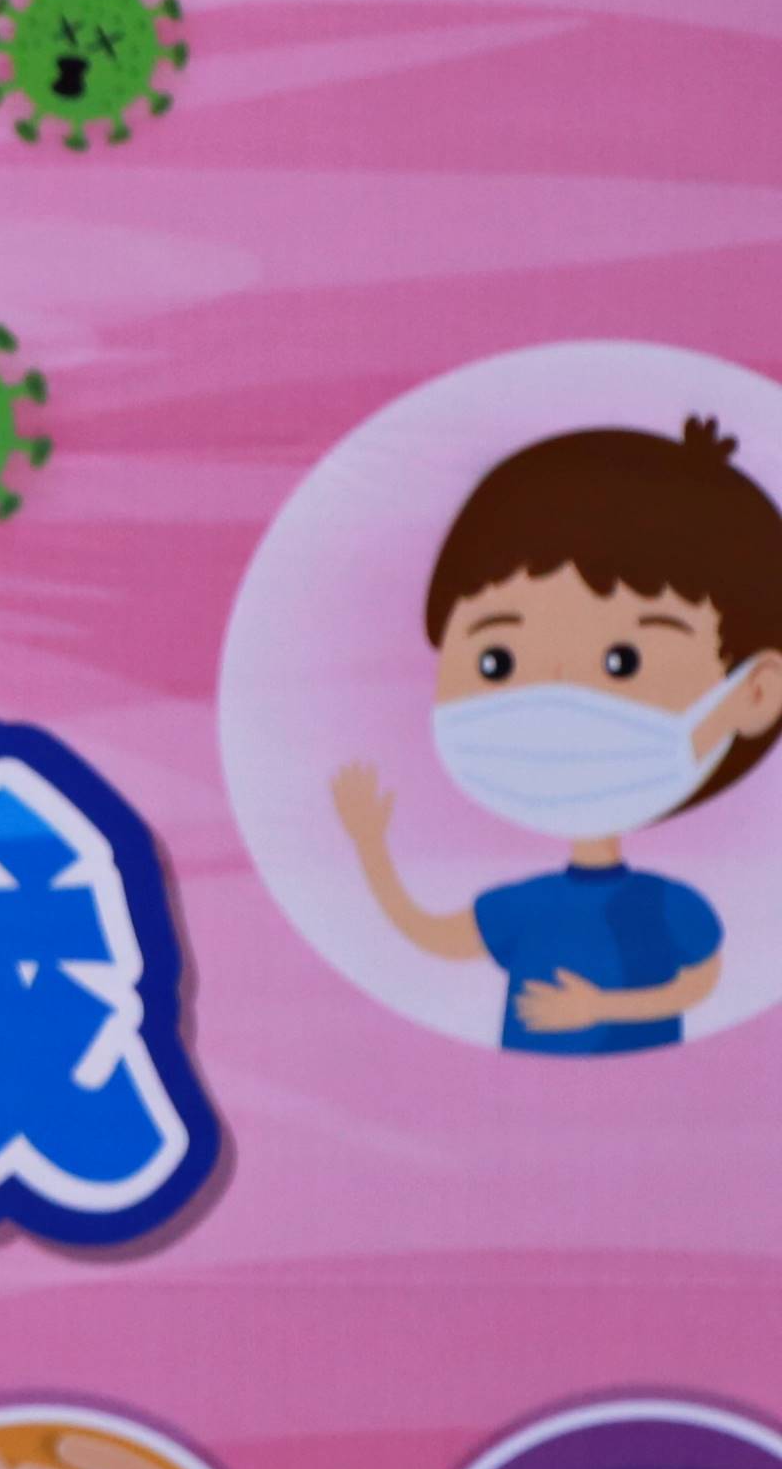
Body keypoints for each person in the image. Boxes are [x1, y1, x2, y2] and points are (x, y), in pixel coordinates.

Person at [330, 416, 782, 1056]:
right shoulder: (524, 905)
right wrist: (369, 846)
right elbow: (427, 932)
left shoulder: (667, 906)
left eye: (623, 662)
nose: (557, 704)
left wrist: (601, 1008)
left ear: (756, 693)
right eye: (497, 662)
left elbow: (698, 984)